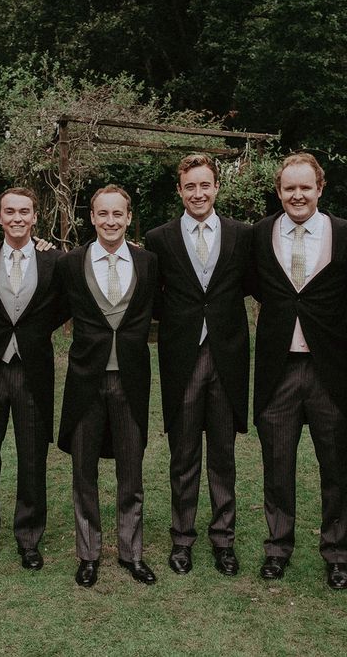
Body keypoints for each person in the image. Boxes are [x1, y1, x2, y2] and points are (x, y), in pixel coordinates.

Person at [145, 154, 252, 577]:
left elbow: (253, 285)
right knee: (184, 455)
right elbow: (154, 299)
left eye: (204, 185)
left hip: (227, 357)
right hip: (182, 359)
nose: (198, 193)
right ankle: (182, 540)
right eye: (190, 186)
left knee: (223, 456)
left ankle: (223, 541)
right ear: (180, 191)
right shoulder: (160, 238)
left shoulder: (242, 235)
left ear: (216, 187)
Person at [251, 152, 347, 589]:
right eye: (289, 188)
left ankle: (338, 552)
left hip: (332, 373)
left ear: (320, 188)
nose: (297, 195)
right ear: (279, 191)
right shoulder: (258, 235)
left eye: (305, 187)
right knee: (277, 465)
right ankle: (277, 548)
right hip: (279, 371)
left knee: (337, 467)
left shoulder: (343, 234)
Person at [58, 185, 158, 587]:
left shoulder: (149, 262)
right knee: (84, 472)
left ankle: (131, 553)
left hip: (131, 380)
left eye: (118, 214)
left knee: (130, 472)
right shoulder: (71, 263)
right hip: (85, 380)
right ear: (92, 218)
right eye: (103, 214)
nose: (111, 221)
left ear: (128, 217)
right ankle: (88, 554)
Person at [0, 187, 67, 572]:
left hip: (33, 370)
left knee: (32, 457)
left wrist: (34, 331)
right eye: (10, 211)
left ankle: (28, 538)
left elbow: (64, 304)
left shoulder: (53, 260)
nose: (17, 218)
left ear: (35, 216)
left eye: (24, 211)